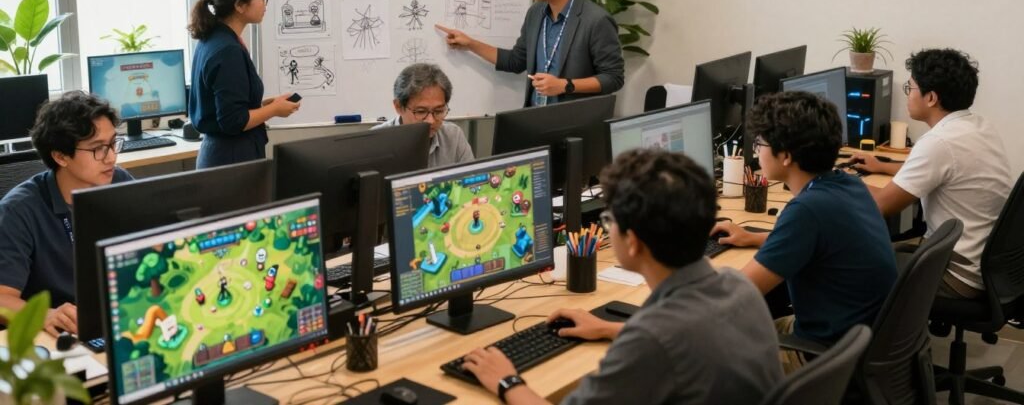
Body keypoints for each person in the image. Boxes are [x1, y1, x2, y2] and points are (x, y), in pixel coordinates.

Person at [462, 149, 782, 404]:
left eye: (608, 219)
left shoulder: (651, 339)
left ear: (633, 241)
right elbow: (683, 335)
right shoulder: (735, 283)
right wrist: (609, 328)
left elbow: (661, 340)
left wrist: (506, 380)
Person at [712, 92, 897, 372]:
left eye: (760, 143)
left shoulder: (807, 211)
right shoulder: (847, 185)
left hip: (827, 356)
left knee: (707, 350)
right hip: (864, 338)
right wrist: (754, 237)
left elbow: (740, 292)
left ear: (785, 156)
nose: (755, 152)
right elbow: (824, 241)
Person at [852, 49, 1012, 299]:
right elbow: (944, 172)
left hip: (956, 275)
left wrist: (839, 181)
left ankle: (838, 334)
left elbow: (880, 205)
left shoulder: (939, 142)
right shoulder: (977, 126)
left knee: (844, 265)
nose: (907, 95)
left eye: (910, 87)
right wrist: (883, 167)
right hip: (986, 265)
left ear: (931, 98)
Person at [0, 92, 134, 337]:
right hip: (63, 333)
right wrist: (46, 315)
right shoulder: (18, 211)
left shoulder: (121, 182)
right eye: (98, 149)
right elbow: (2, 299)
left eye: (113, 143)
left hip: (118, 317)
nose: (112, 157)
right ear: (60, 156)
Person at [436, 0, 624, 107]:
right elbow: (516, 61)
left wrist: (565, 85)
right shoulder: (536, 13)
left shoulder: (596, 20)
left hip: (575, 123)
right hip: (536, 117)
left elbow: (613, 78)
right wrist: (470, 44)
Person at [188, 0, 300, 168]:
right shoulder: (227, 50)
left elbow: (228, 105)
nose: (265, 4)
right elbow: (233, 121)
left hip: (223, 154)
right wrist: (274, 110)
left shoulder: (213, 38)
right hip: (231, 160)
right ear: (239, 5)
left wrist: (267, 104)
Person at [374, 63, 473, 168]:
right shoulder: (376, 142)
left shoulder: (453, 136)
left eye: (439, 111)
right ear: (399, 107)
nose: (431, 121)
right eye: (421, 112)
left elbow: (472, 179)